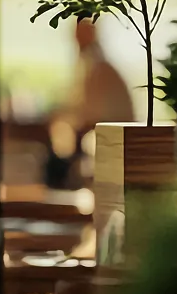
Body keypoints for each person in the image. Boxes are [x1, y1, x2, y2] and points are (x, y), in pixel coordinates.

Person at [48, 17, 136, 187]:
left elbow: (90, 119)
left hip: (115, 145)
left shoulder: (98, 69)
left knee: (57, 166)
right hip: (109, 139)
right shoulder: (94, 66)